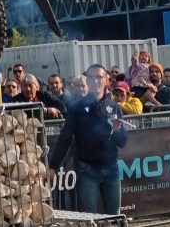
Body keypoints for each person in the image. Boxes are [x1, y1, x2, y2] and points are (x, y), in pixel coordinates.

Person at [47, 63, 128, 215]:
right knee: (88, 217)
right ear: (87, 80)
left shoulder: (114, 107)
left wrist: (117, 130)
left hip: (111, 169)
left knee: (114, 215)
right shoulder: (76, 107)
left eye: (99, 77)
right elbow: (65, 137)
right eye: (91, 77)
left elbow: (122, 142)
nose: (95, 81)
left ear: (107, 80)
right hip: (87, 170)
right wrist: (53, 165)